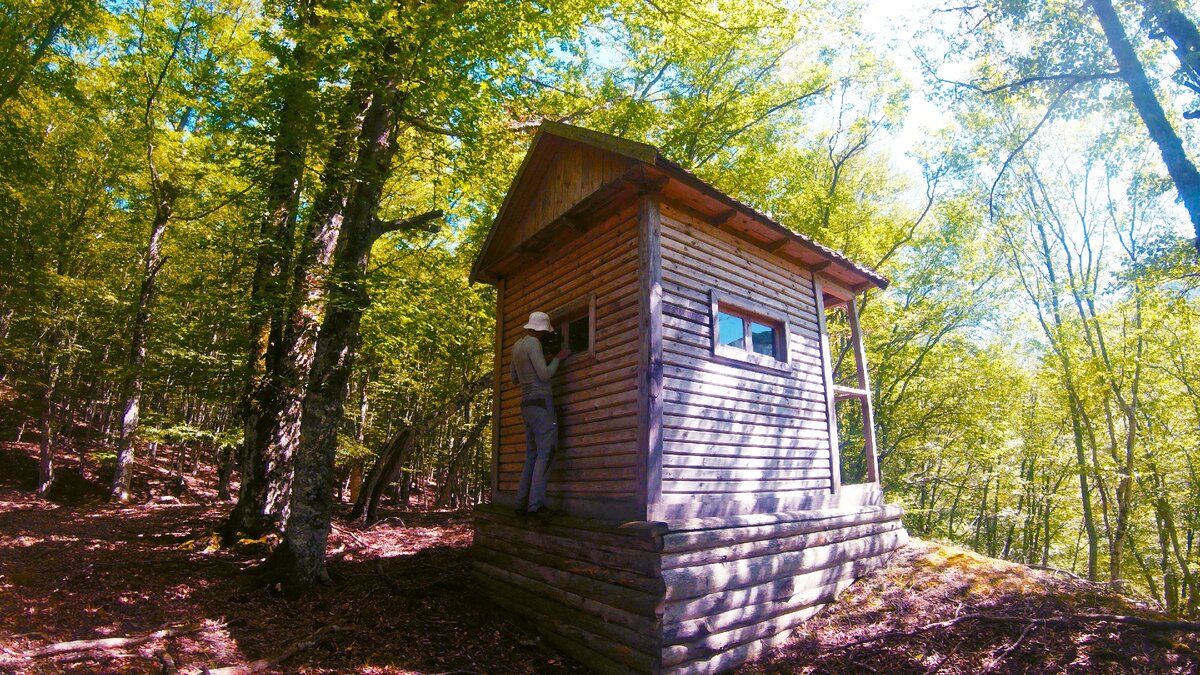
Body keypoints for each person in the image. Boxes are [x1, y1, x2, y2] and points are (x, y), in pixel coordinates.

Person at [510, 310, 569, 518]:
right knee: (546, 453)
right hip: (541, 402)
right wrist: (558, 358)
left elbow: (514, 379)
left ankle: (520, 503)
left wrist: (541, 361)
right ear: (541, 330)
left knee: (532, 454)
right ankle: (536, 505)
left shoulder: (517, 345)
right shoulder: (534, 344)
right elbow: (545, 375)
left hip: (525, 404)